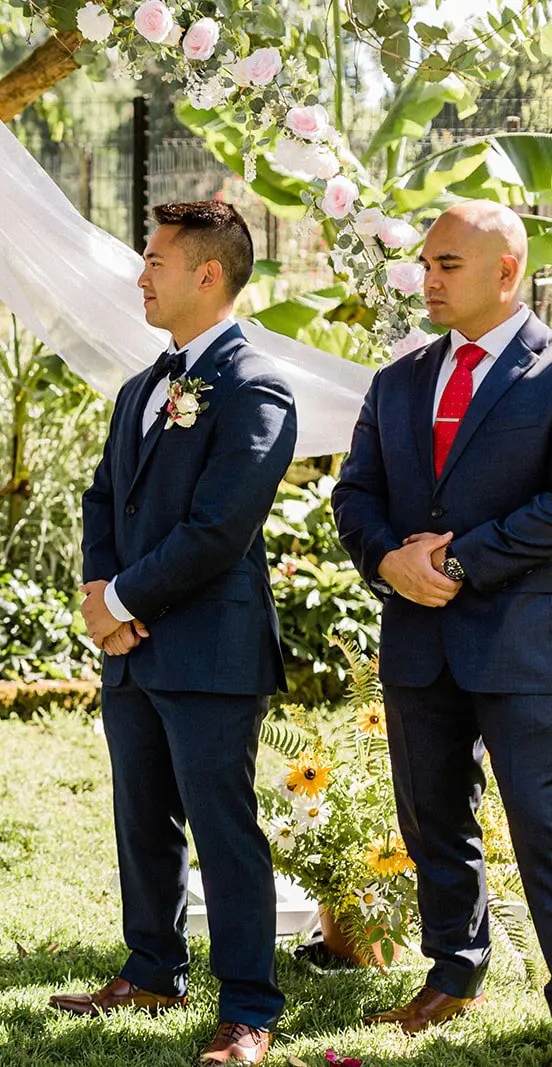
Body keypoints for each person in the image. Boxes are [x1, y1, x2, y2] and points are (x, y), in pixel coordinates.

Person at [53, 201, 296, 1065]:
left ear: (208, 273)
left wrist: (121, 600)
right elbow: (102, 499)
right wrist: (100, 591)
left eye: (155, 260)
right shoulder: (140, 387)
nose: (141, 275)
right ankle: (153, 968)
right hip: (132, 650)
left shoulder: (256, 386)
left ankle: (249, 1008)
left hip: (210, 651)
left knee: (222, 829)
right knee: (141, 817)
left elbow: (218, 529)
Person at [332, 200, 552, 1034]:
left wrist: (460, 561)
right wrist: (389, 560)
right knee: (430, 817)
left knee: (543, 822)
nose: (427, 278)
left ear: (507, 271)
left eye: (447, 264)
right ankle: (454, 973)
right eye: (425, 263)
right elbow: (355, 493)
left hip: (525, 644)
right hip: (419, 643)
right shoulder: (398, 380)